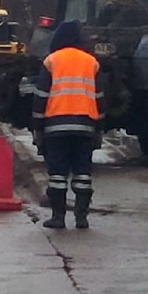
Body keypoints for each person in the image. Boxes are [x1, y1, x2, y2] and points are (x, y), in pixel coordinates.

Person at [32, 19, 106, 230]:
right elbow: (99, 98)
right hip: (85, 126)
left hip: (55, 127)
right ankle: (81, 217)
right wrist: (99, 128)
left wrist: (37, 126)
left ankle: (58, 217)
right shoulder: (91, 62)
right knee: (83, 172)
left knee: (57, 173)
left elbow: (41, 97)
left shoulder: (51, 61)